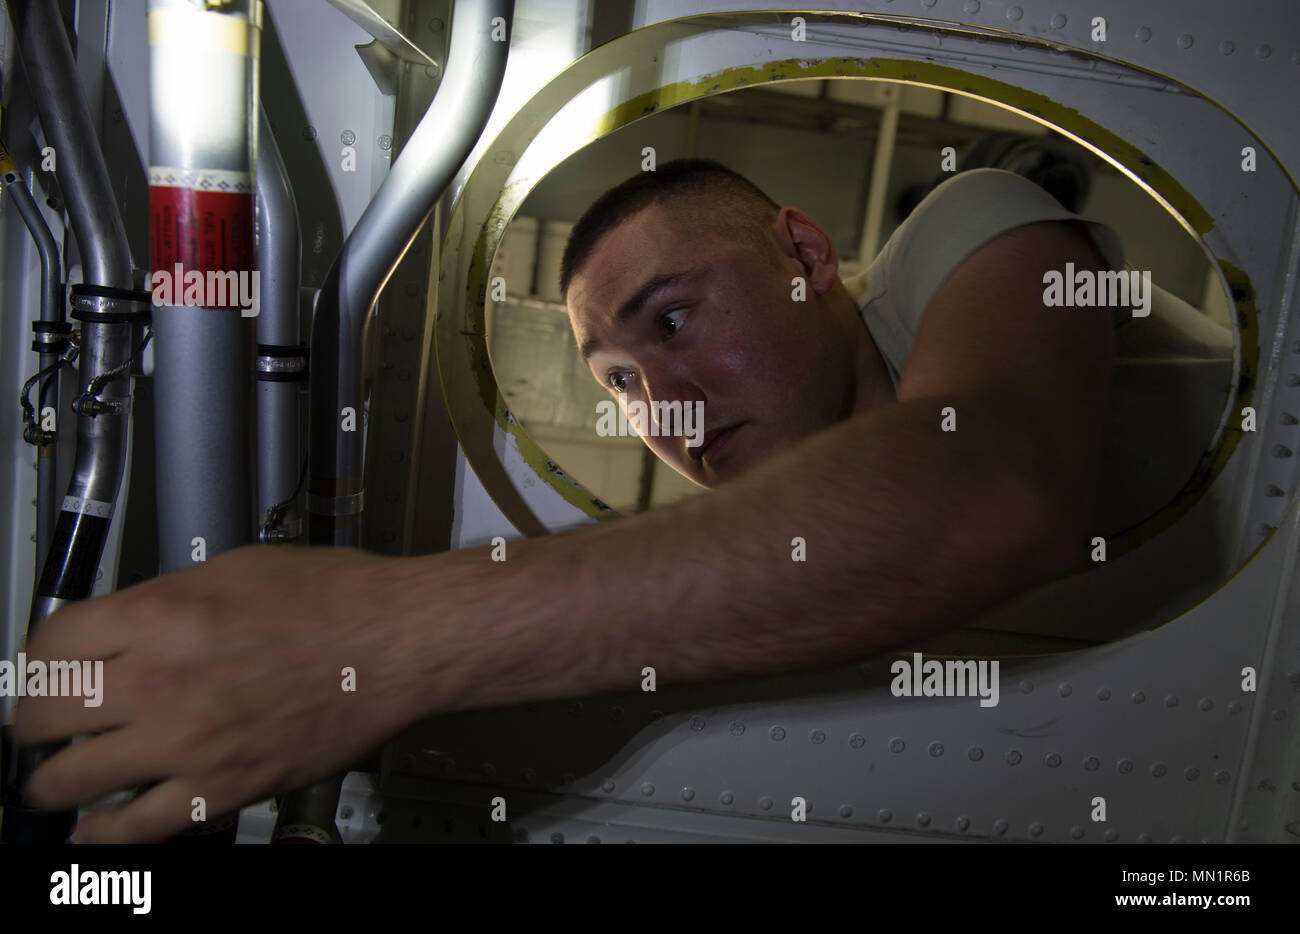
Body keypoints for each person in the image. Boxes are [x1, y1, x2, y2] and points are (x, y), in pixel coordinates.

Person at [12, 157, 1231, 843]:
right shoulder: (793, 553)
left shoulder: (966, 226)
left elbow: (995, 482)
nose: (670, 407)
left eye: (676, 319)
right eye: (623, 381)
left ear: (806, 258)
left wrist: (383, 638)